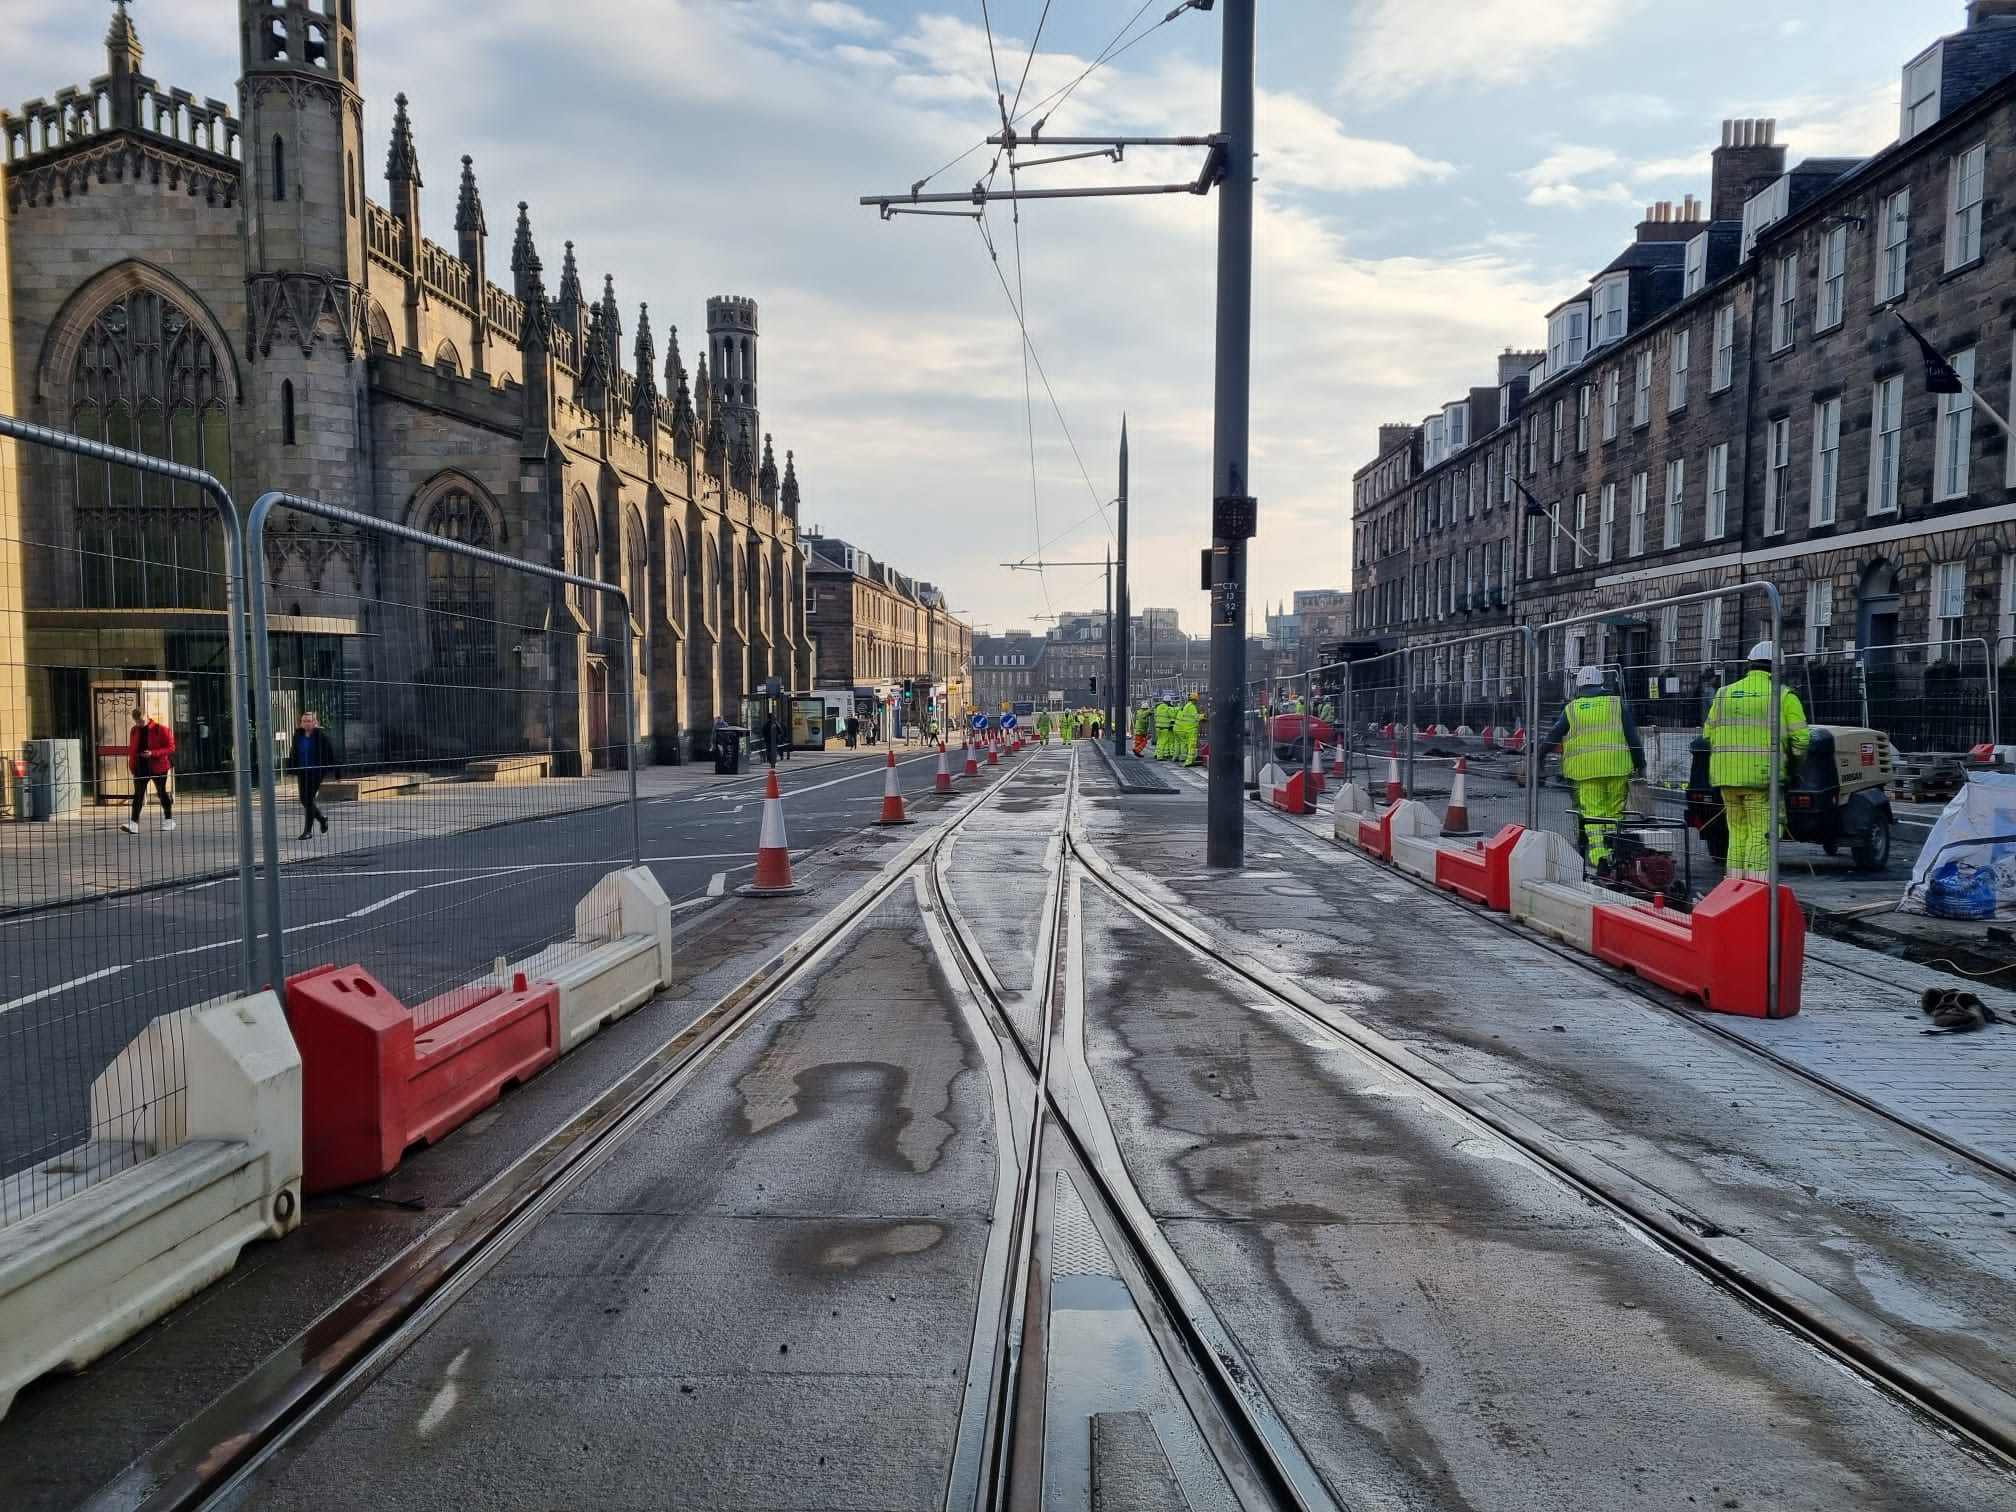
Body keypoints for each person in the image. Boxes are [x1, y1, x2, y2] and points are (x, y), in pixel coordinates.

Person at [1704, 640, 1810, 880]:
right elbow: (1801, 741)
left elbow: (1707, 735)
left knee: (1737, 831)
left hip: (1726, 777)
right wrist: (1793, 769)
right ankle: (1757, 890)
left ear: (1749, 665)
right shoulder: (1784, 696)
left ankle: (1733, 887)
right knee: (1761, 834)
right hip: (1763, 779)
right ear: (1778, 668)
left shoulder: (1723, 694)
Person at [1543, 666, 1644, 871]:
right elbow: (1632, 737)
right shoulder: (1616, 704)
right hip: (1617, 767)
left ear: (1579, 685)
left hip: (1586, 772)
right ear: (1601, 684)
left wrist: (1538, 756)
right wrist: (1640, 763)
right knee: (1614, 813)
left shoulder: (1572, 708)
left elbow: (1553, 735)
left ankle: (1600, 860)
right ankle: (1616, 857)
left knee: (1594, 815)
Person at [122, 707, 176, 834]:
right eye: (137, 722)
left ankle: (169, 820)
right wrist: (132, 765)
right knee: (138, 795)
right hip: (141, 766)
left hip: (158, 766)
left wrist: (153, 753)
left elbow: (171, 747)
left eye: (141, 721)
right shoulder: (134, 730)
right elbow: (133, 749)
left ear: (147, 716)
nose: (139, 724)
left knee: (161, 792)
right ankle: (134, 823)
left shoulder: (161, 729)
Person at [289, 710, 338, 839]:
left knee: (308, 799)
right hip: (303, 771)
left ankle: (308, 831)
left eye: (309, 721)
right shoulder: (298, 735)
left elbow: (330, 753)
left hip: (316, 772)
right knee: (304, 799)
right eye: (304, 721)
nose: (306, 723)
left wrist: (335, 772)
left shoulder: (321, 736)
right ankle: (322, 819)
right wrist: (292, 768)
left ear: (315, 722)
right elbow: (294, 752)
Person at [1174, 694, 1201, 767]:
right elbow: (1196, 717)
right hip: (1191, 729)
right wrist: (1203, 716)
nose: (1197, 702)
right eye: (1197, 700)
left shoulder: (1186, 706)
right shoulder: (1192, 707)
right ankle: (1189, 761)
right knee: (1192, 745)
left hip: (1186, 729)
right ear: (1194, 700)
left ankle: (1189, 760)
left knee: (1189, 745)